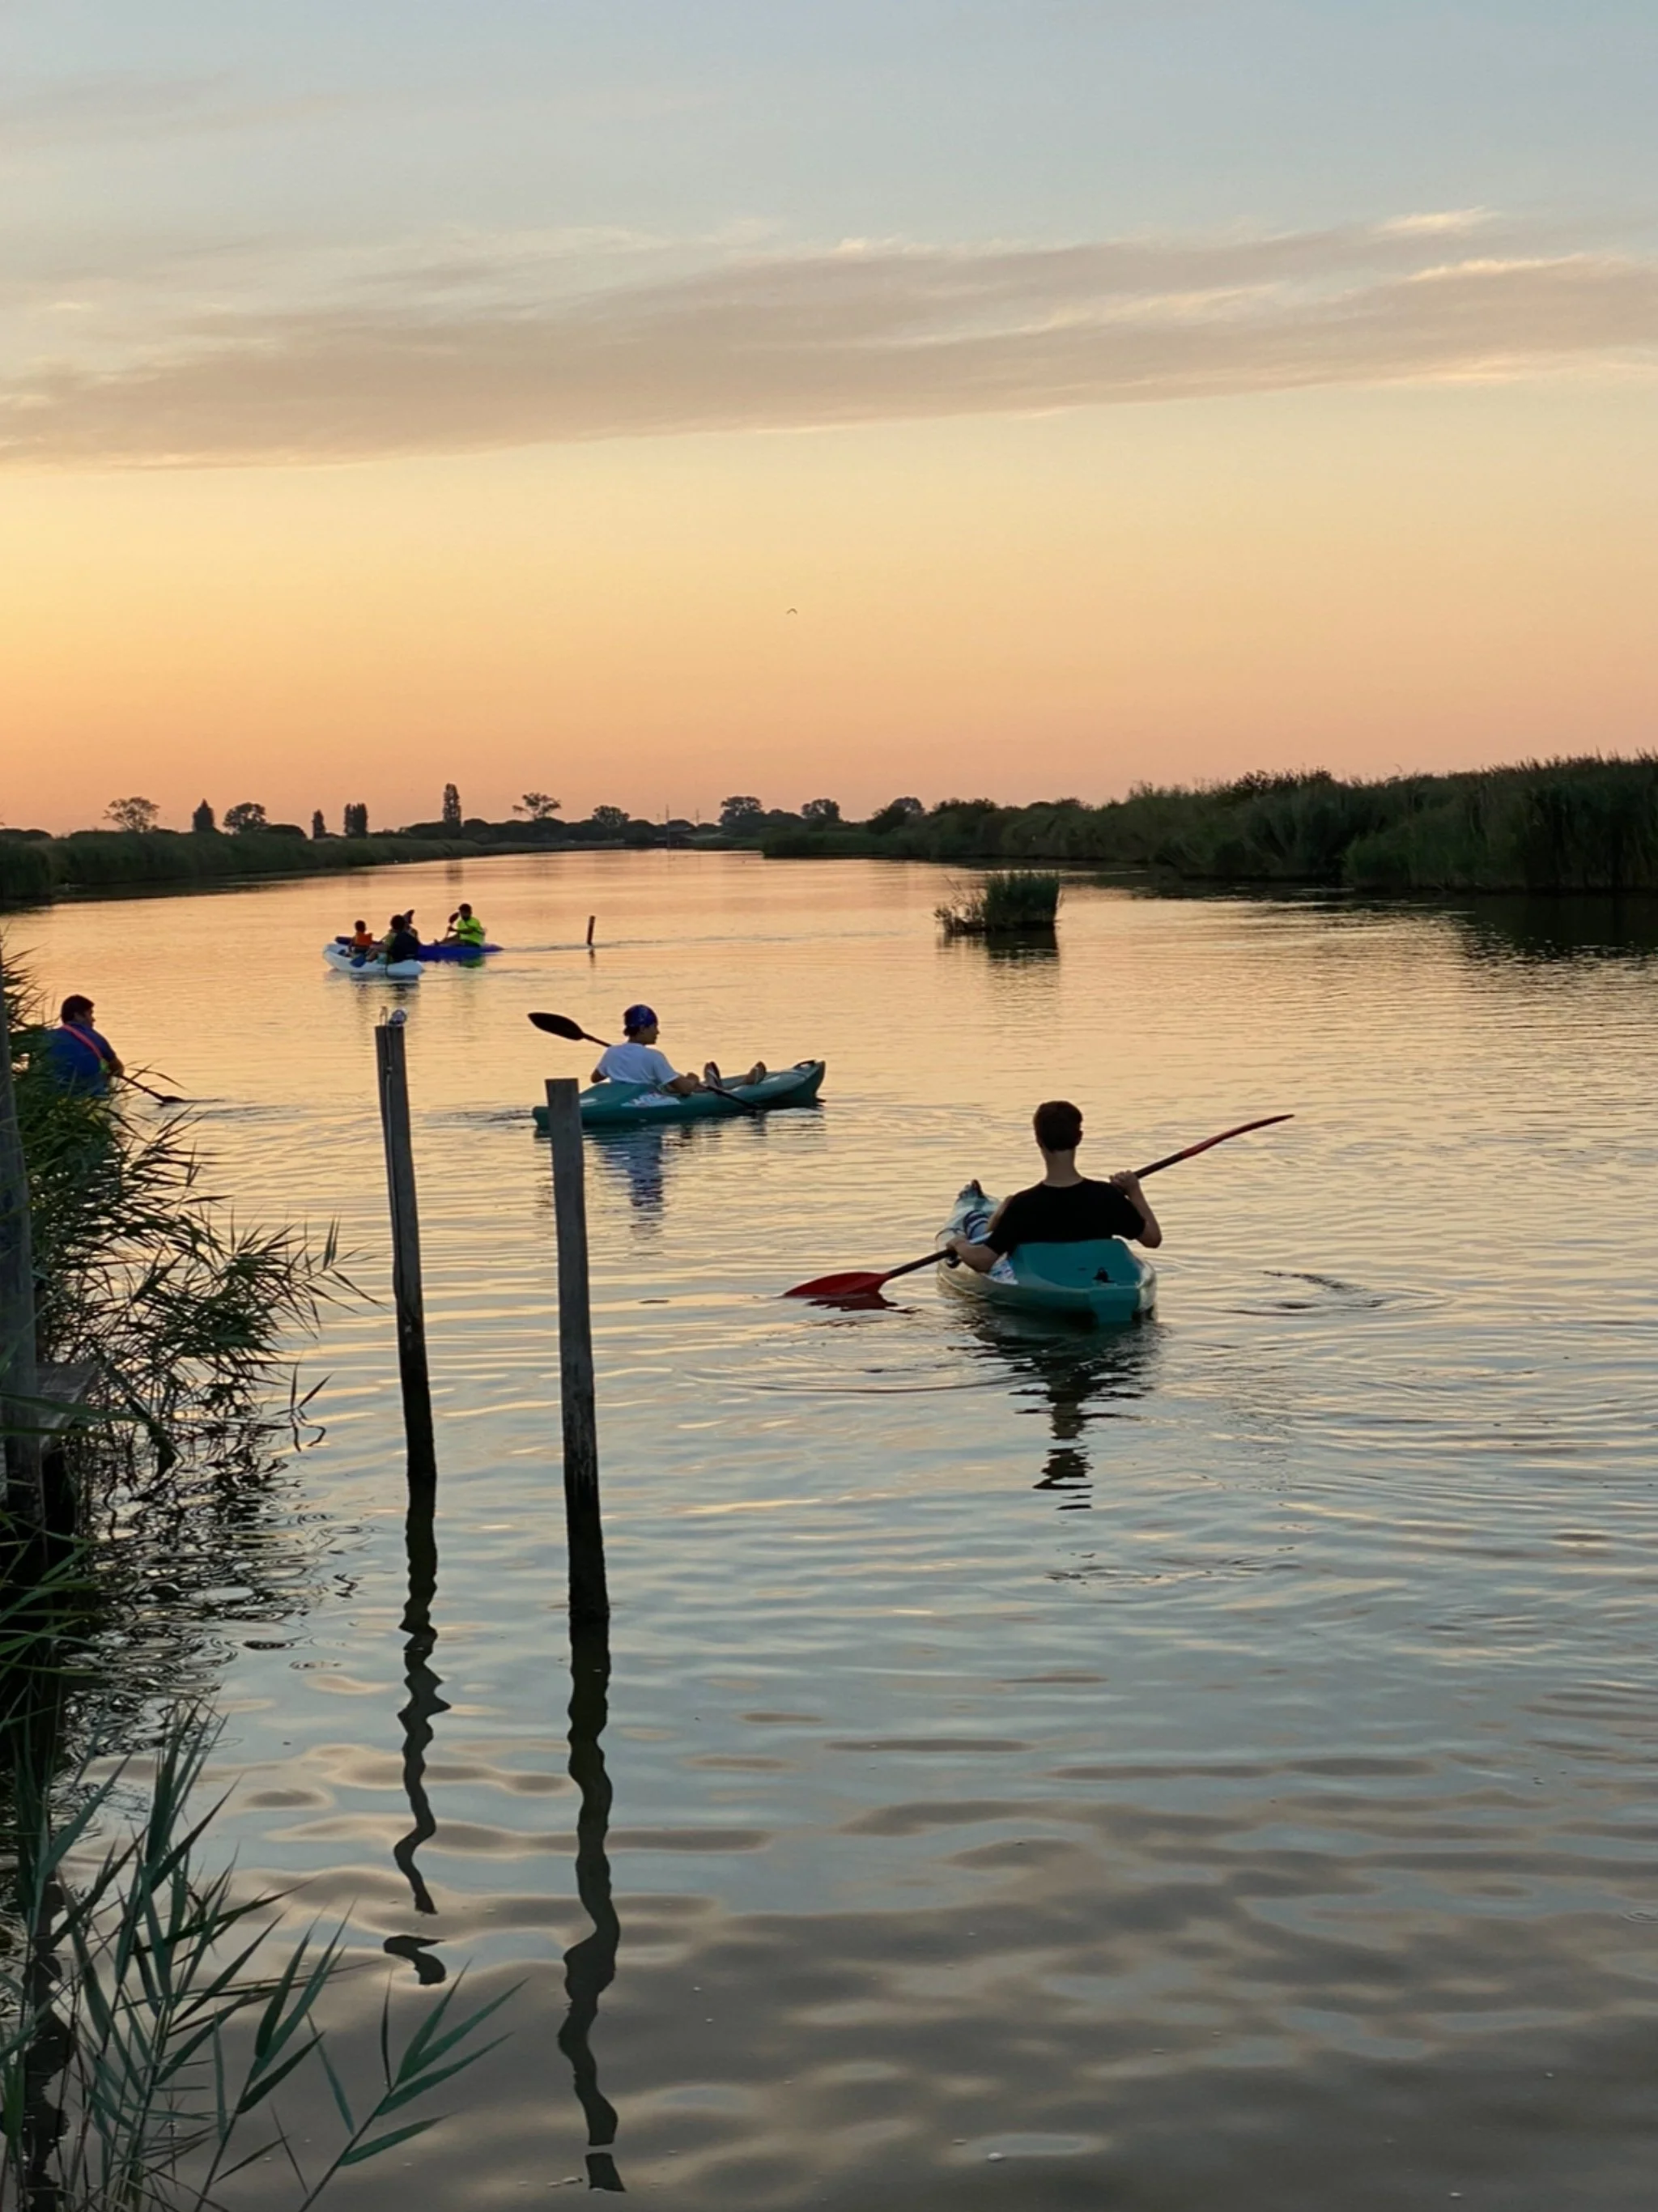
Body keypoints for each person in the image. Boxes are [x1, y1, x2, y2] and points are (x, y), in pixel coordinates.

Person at [946, 1099, 1162, 1273]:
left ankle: (982, 1220)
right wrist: (1134, 1191)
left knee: (989, 1222)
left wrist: (959, 1243)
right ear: (1079, 1138)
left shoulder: (1024, 1205)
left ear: (1038, 1140)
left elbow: (983, 1261)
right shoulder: (1107, 1197)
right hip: (1095, 1275)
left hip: (1044, 1276)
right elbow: (1153, 1239)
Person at [591, 1006, 765, 1096]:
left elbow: (595, 1078)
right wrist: (692, 1080)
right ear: (643, 1029)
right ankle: (741, 1083)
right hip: (647, 1099)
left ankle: (715, 1084)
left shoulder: (612, 1052)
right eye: (654, 1028)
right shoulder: (654, 1057)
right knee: (692, 1084)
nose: (657, 1032)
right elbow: (685, 1091)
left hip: (625, 1097)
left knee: (675, 1082)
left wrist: (619, 1064)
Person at [45, 994, 124, 1095]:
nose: (93, 1019)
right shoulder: (94, 1037)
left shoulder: (47, 1037)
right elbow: (118, 1070)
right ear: (78, 1015)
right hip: (92, 1096)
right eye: (90, 1014)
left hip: (56, 1095)